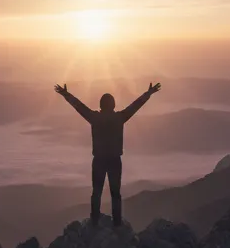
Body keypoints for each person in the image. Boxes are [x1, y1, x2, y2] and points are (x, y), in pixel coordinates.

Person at [54, 81, 161, 227]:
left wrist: (66, 94)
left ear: (100, 105)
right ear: (113, 105)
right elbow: (135, 106)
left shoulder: (95, 118)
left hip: (98, 160)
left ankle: (94, 221)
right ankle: (117, 223)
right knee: (115, 193)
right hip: (115, 161)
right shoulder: (120, 118)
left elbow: (79, 106)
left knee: (96, 192)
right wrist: (148, 94)